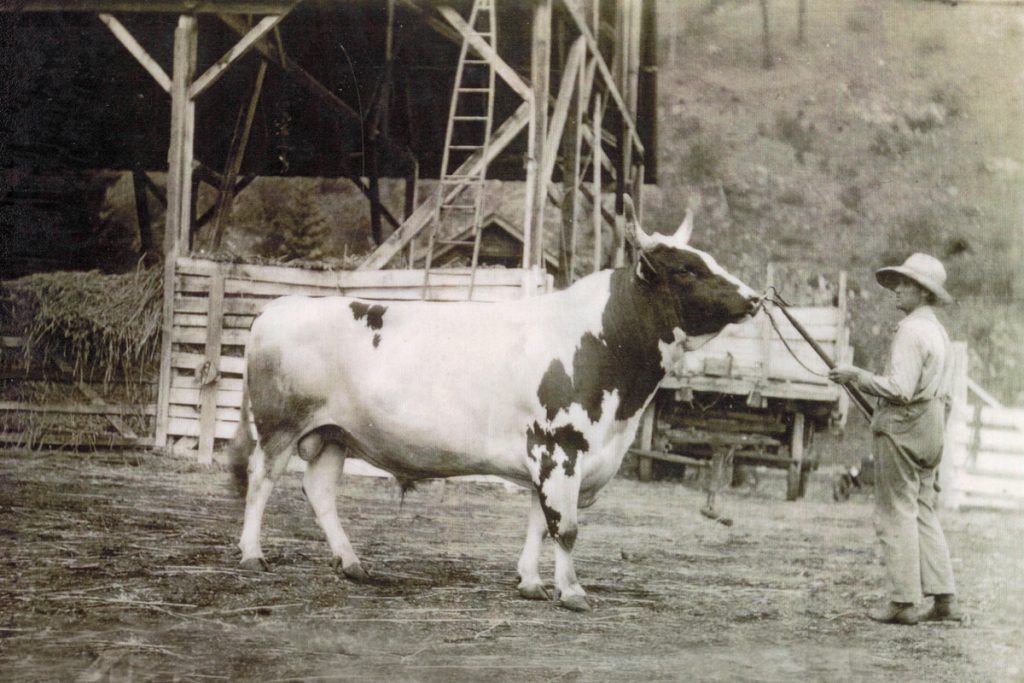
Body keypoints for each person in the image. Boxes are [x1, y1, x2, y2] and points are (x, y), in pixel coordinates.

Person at [828, 253, 962, 626]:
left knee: (895, 511)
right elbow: (945, 395)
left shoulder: (911, 331)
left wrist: (855, 375)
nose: (896, 290)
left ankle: (903, 603)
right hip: (932, 425)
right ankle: (945, 600)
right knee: (923, 509)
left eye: (904, 284)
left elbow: (900, 389)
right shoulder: (938, 331)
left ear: (922, 292)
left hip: (903, 426)